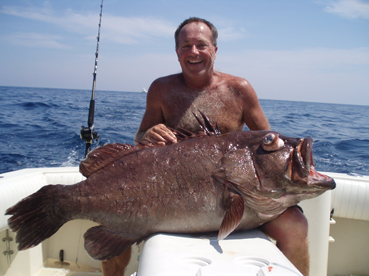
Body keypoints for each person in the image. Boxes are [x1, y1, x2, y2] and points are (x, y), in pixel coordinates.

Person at [104, 17, 309, 276]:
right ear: (177, 52)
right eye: (185, 46)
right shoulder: (161, 89)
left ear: (214, 49)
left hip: (233, 197)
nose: (193, 52)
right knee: (111, 228)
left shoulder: (240, 89)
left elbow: (267, 146)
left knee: (296, 225)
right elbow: (140, 138)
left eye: (201, 45)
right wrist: (149, 133)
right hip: (173, 196)